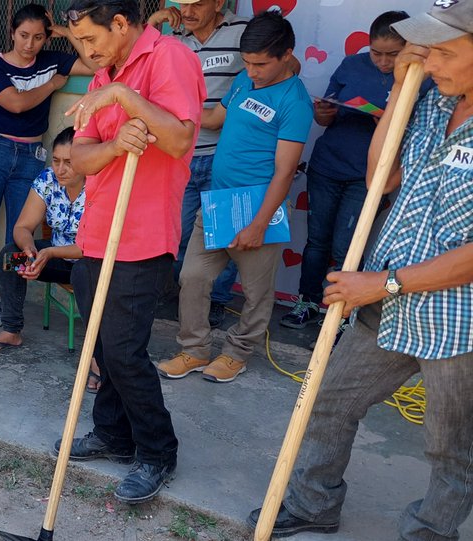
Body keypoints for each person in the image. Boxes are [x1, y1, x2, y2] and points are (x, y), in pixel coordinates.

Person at [248, 4, 473, 537]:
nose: (429, 61)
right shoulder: (433, 103)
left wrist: (384, 282)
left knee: (452, 445)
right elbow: (380, 178)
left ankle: (430, 530)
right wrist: (400, 90)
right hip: (386, 301)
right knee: (327, 401)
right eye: (427, 50)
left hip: (456, 320)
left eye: (444, 51)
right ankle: (311, 503)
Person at [58, 0, 205, 504]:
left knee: (124, 350)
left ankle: (156, 451)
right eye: (78, 42)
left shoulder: (168, 58)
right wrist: (116, 145)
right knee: (101, 345)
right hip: (98, 231)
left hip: (143, 238)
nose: (86, 51)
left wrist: (127, 97)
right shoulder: (102, 80)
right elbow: (79, 156)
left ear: (120, 24)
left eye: (91, 40)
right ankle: (114, 433)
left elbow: (181, 136)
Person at [157, 11, 312, 384]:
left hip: (259, 208)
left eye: (260, 63)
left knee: (257, 294)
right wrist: (164, 111)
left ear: (286, 54)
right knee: (192, 276)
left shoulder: (295, 103)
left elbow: (284, 171)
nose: (252, 70)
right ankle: (193, 350)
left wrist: (259, 223)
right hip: (218, 202)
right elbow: (213, 120)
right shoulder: (244, 80)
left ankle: (237, 353)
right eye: (247, 62)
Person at [279, 11, 429, 329]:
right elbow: (323, 120)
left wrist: (390, 124)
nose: (384, 62)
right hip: (327, 165)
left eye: (393, 54)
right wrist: (324, 111)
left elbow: (423, 134)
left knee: (348, 246)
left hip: (370, 177)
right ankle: (307, 302)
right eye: (376, 53)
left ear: (409, 47)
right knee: (317, 240)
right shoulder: (351, 65)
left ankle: (342, 314)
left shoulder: (422, 76)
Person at [0, 3, 94, 328]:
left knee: (17, 235)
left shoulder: (51, 58)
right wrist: (52, 84)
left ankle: (11, 307)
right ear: (12, 32)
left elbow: (94, 63)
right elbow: (16, 103)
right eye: (24, 35)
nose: (29, 44)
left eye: (39, 37)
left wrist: (65, 32)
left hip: (31, 155)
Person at [0, 128, 102, 391]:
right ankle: (11, 330)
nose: (61, 169)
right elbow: (22, 227)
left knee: (84, 275)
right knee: (11, 257)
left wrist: (49, 253)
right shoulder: (47, 180)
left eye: (69, 162)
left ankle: (99, 356)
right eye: (56, 160)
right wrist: (31, 251)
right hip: (51, 257)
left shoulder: (99, 186)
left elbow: (92, 245)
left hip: (89, 262)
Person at [148, 0, 244, 327]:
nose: (186, 11)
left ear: (219, 3)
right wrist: (154, 21)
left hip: (224, 156)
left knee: (222, 235)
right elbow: (138, 61)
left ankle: (216, 301)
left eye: (197, 4)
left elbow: (277, 70)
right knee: (178, 232)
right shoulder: (171, 37)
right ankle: (179, 296)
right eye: (182, 4)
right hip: (181, 155)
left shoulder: (243, 33)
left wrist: (191, 118)